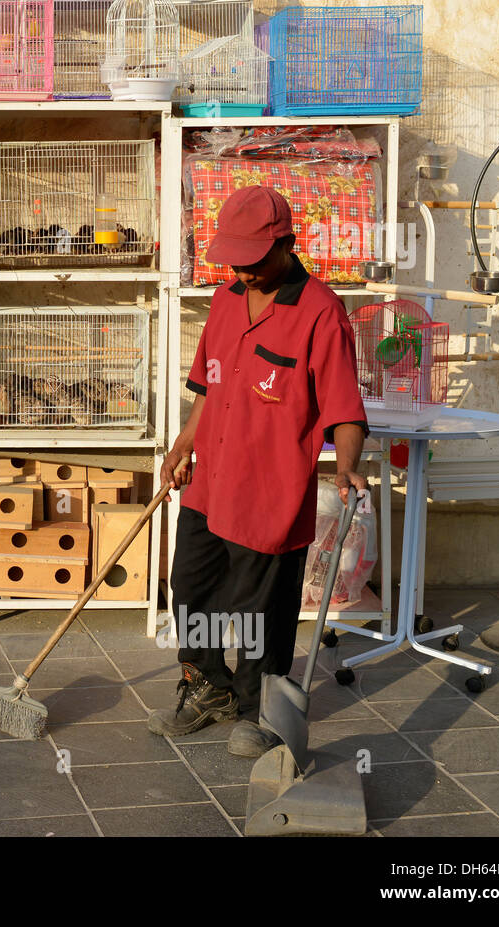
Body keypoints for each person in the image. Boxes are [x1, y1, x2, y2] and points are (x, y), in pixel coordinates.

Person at [148, 185, 369, 758]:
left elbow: (345, 407)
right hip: (209, 484)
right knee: (191, 590)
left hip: (269, 494)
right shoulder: (224, 302)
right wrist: (182, 446)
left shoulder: (321, 311)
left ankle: (261, 711)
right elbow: (208, 385)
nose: (241, 273)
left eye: (251, 262)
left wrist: (346, 467)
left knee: (258, 613)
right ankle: (207, 686)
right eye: (233, 262)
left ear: (285, 245)